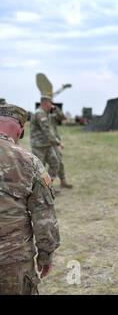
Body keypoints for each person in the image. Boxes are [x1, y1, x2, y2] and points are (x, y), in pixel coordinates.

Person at [0, 103, 60, 295]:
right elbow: (44, 215)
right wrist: (45, 255)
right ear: (19, 129)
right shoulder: (29, 161)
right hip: (11, 261)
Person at [30, 95, 62, 183]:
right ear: (45, 102)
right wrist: (58, 142)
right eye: (50, 102)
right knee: (39, 169)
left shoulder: (45, 113)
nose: (51, 105)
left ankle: (47, 185)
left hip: (47, 145)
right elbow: (47, 130)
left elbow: (60, 118)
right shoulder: (39, 113)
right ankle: (37, 189)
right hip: (39, 146)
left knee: (55, 163)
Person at [49, 106, 73, 189]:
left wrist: (56, 108)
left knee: (59, 162)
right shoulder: (42, 116)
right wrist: (58, 142)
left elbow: (62, 117)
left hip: (53, 143)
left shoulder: (52, 117)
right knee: (47, 165)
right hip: (43, 144)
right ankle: (46, 187)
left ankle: (63, 182)